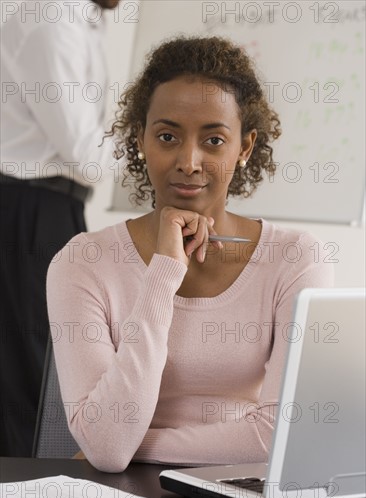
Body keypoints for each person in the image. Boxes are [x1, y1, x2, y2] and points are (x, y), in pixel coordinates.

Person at [46, 36, 334, 473]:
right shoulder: (82, 262)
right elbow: (107, 445)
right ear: (140, 139)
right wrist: (163, 274)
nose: (189, 160)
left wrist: (131, 444)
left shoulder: (295, 260)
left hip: (239, 491)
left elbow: (279, 435)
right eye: (167, 136)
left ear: (245, 147)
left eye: (214, 140)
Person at [0, 0, 122, 457]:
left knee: (44, 367)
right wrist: (155, 142)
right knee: (34, 370)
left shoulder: (82, 20)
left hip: (50, 207)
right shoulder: (50, 20)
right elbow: (87, 156)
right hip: (29, 208)